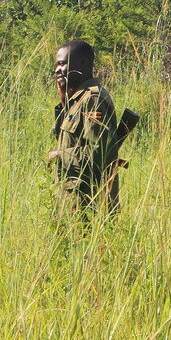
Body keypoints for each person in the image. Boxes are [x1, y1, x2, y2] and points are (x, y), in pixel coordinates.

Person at [50, 39, 121, 215]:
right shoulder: (77, 100)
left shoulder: (92, 100)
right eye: (56, 65)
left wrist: (61, 155)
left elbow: (100, 153)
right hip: (72, 200)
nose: (57, 70)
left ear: (82, 64)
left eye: (63, 64)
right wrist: (64, 100)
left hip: (89, 203)